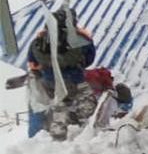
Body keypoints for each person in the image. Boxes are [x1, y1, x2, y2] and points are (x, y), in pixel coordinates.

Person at [27, 8, 97, 140]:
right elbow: (90, 59)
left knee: (60, 104)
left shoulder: (38, 40)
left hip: (49, 82)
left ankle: (58, 129)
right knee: (86, 100)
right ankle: (86, 130)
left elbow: (32, 63)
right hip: (75, 80)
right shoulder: (81, 38)